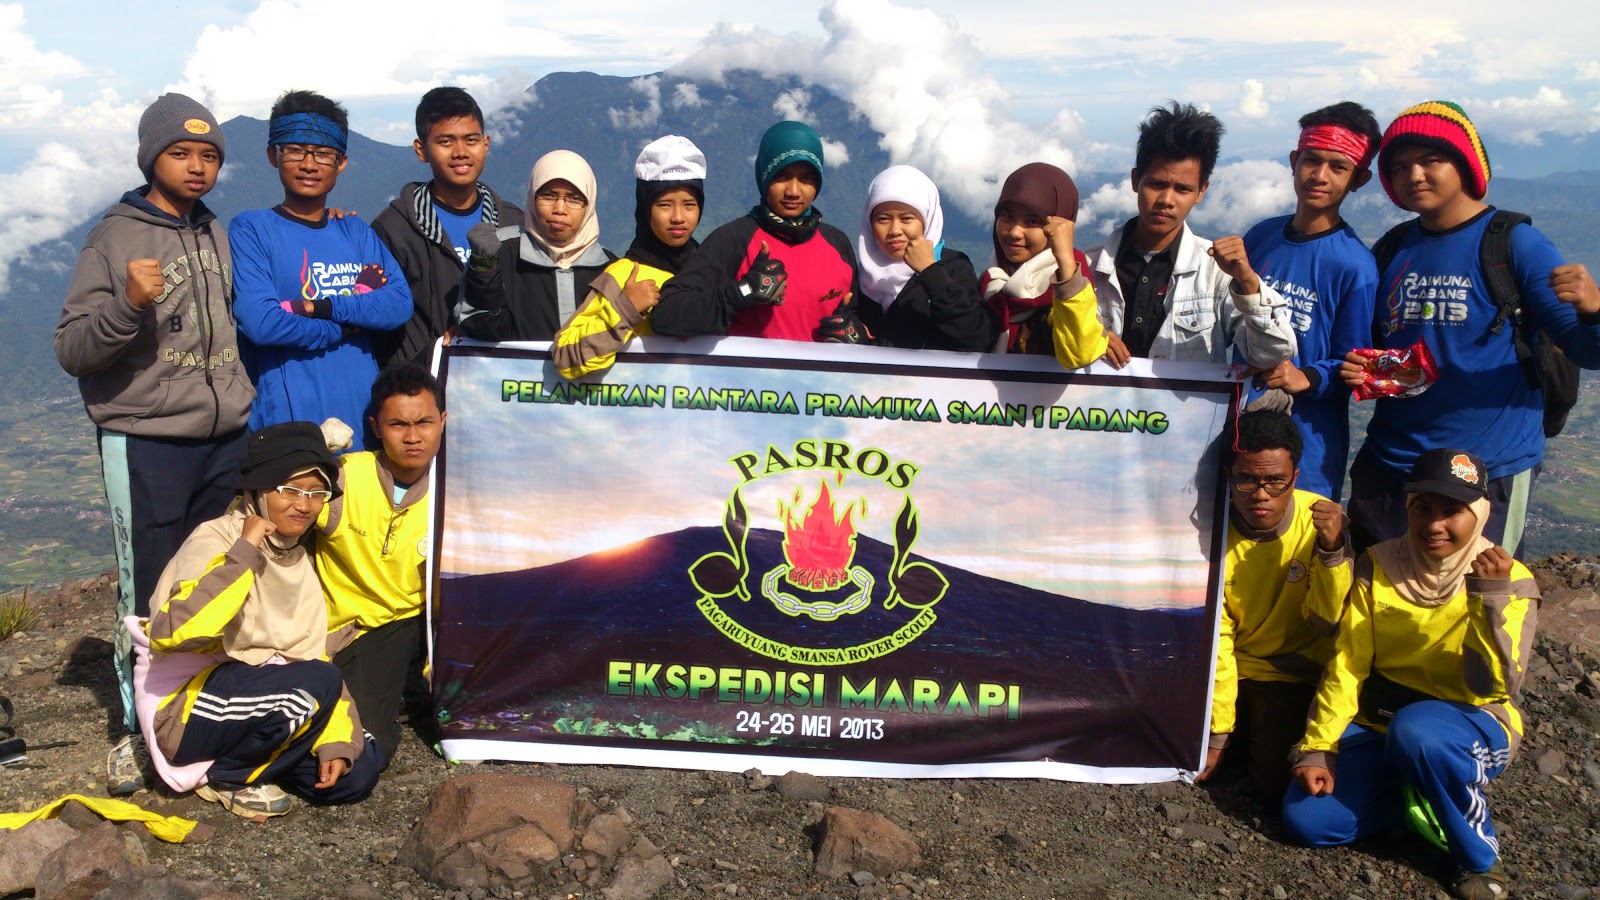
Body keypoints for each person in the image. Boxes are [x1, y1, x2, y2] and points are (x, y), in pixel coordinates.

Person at [54, 92, 254, 796]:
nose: (197, 167)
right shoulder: (114, 237)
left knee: (208, 584)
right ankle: (135, 734)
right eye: (181, 153)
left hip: (223, 434)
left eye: (209, 156)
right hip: (146, 441)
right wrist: (127, 306)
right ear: (151, 159)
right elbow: (73, 347)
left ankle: (195, 717)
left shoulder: (213, 232)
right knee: (148, 589)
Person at [1341, 101, 1600, 556]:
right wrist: (1363, 367)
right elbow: (1371, 345)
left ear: (1464, 163)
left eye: (1431, 160)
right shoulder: (1393, 247)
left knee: (1481, 604)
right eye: (1399, 166)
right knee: (1377, 604)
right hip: (1393, 462)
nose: (1414, 174)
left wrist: (1594, 310)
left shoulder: (1514, 243)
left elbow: (1588, 350)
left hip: (1488, 470)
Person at [1283, 448, 1538, 900]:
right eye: (1423, 507)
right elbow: (1348, 663)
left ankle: (1479, 857)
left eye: (1452, 511)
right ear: (1408, 507)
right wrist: (1319, 746)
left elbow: (1492, 684)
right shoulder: (1379, 564)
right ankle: (1418, 795)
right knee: (1310, 821)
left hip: (1469, 721)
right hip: (1380, 721)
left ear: (1478, 513)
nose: (1434, 524)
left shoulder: (1507, 578)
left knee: (1419, 732)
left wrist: (1488, 597)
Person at [128, 422, 382, 819]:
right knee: (318, 682)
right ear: (258, 491)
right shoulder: (215, 539)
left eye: (317, 493)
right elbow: (174, 631)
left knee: (358, 770)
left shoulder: (297, 558)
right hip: (185, 707)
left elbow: (308, 657)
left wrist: (334, 744)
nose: (305, 504)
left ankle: (256, 763)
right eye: (291, 490)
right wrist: (244, 552)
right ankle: (228, 776)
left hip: (254, 703)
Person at [231, 90, 413, 449]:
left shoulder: (355, 231)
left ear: (341, 163)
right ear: (274, 155)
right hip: (287, 422)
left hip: (365, 419)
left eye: (323, 154)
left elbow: (397, 304)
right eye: (295, 150)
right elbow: (261, 323)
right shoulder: (252, 229)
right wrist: (347, 326)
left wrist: (320, 308)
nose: (309, 164)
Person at [1196, 410, 1351, 801]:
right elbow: (1218, 641)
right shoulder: (1209, 532)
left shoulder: (1321, 524)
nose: (1261, 494)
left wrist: (1333, 552)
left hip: (1291, 670)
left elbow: (1328, 622)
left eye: (1275, 481)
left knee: (1272, 785)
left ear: (1294, 478)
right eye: (1246, 479)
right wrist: (1217, 733)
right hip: (1229, 666)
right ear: (1229, 476)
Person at [1236, 102, 1382, 502]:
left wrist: (1308, 377)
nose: (1319, 176)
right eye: (1311, 160)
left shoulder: (1354, 266)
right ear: (1293, 161)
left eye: (1338, 166)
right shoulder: (1262, 236)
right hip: (1239, 434)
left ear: (1359, 179)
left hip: (1308, 450)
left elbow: (1355, 361)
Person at [1085, 102, 1296, 368]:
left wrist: (1248, 283)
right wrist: (1089, 337)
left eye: (1182, 189)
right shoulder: (1086, 268)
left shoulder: (1216, 275)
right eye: (1156, 184)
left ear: (1201, 191)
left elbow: (1272, 354)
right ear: (1135, 180)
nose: (1166, 200)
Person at [318, 365, 444, 762]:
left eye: (424, 422)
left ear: (443, 421)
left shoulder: (455, 489)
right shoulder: (343, 479)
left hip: (418, 630)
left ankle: (415, 695)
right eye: (398, 424)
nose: (412, 436)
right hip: (351, 634)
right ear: (375, 426)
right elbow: (271, 510)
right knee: (365, 746)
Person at [650, 121, 863, 344]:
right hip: (747, 379)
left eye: (806, 179)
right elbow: (667, 314)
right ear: (764, 176)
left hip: (824, 379)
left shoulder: (837, 243)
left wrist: (857, 334)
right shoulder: (734, 239)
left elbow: (857, 315)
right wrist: (744, 291)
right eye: (781, 176)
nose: (793, 191)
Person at [372, 87, 523, 370]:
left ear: (486, 144)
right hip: (421, 391)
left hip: (497, 385)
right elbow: (380, 322)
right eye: (445, 141)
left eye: (471, 140)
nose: (461, 152)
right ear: (421, 150)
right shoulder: (394, 228)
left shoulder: (513, 223)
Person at [551, 135, 706, 378]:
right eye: (664, 205)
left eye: (689, 204)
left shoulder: (710, 269)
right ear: (645, 209)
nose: (678, 217)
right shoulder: (622, 275)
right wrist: (626, 308)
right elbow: (565, 356)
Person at [454, 150, 615, 341]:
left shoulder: (609, 268)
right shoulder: (499, 252)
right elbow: (482, 329)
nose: (559, 209)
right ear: (532, 197)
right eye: (549, 195)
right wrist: (484, 269)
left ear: (589, 205)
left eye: (574, 199)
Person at [852, 164, 996, 351]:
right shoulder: (863, 275)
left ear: (927, 220)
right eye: (883, 219)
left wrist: (930, 271)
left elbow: (978, 336)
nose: (895, 230)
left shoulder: (953, 267)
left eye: (906, 219)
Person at [979, 162, 1104, 366]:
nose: (1014, 232)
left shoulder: (1069, 281)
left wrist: (1064, 259)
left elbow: (1078, 353)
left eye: (1032, 222)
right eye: (1007, 217)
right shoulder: (991, 281)